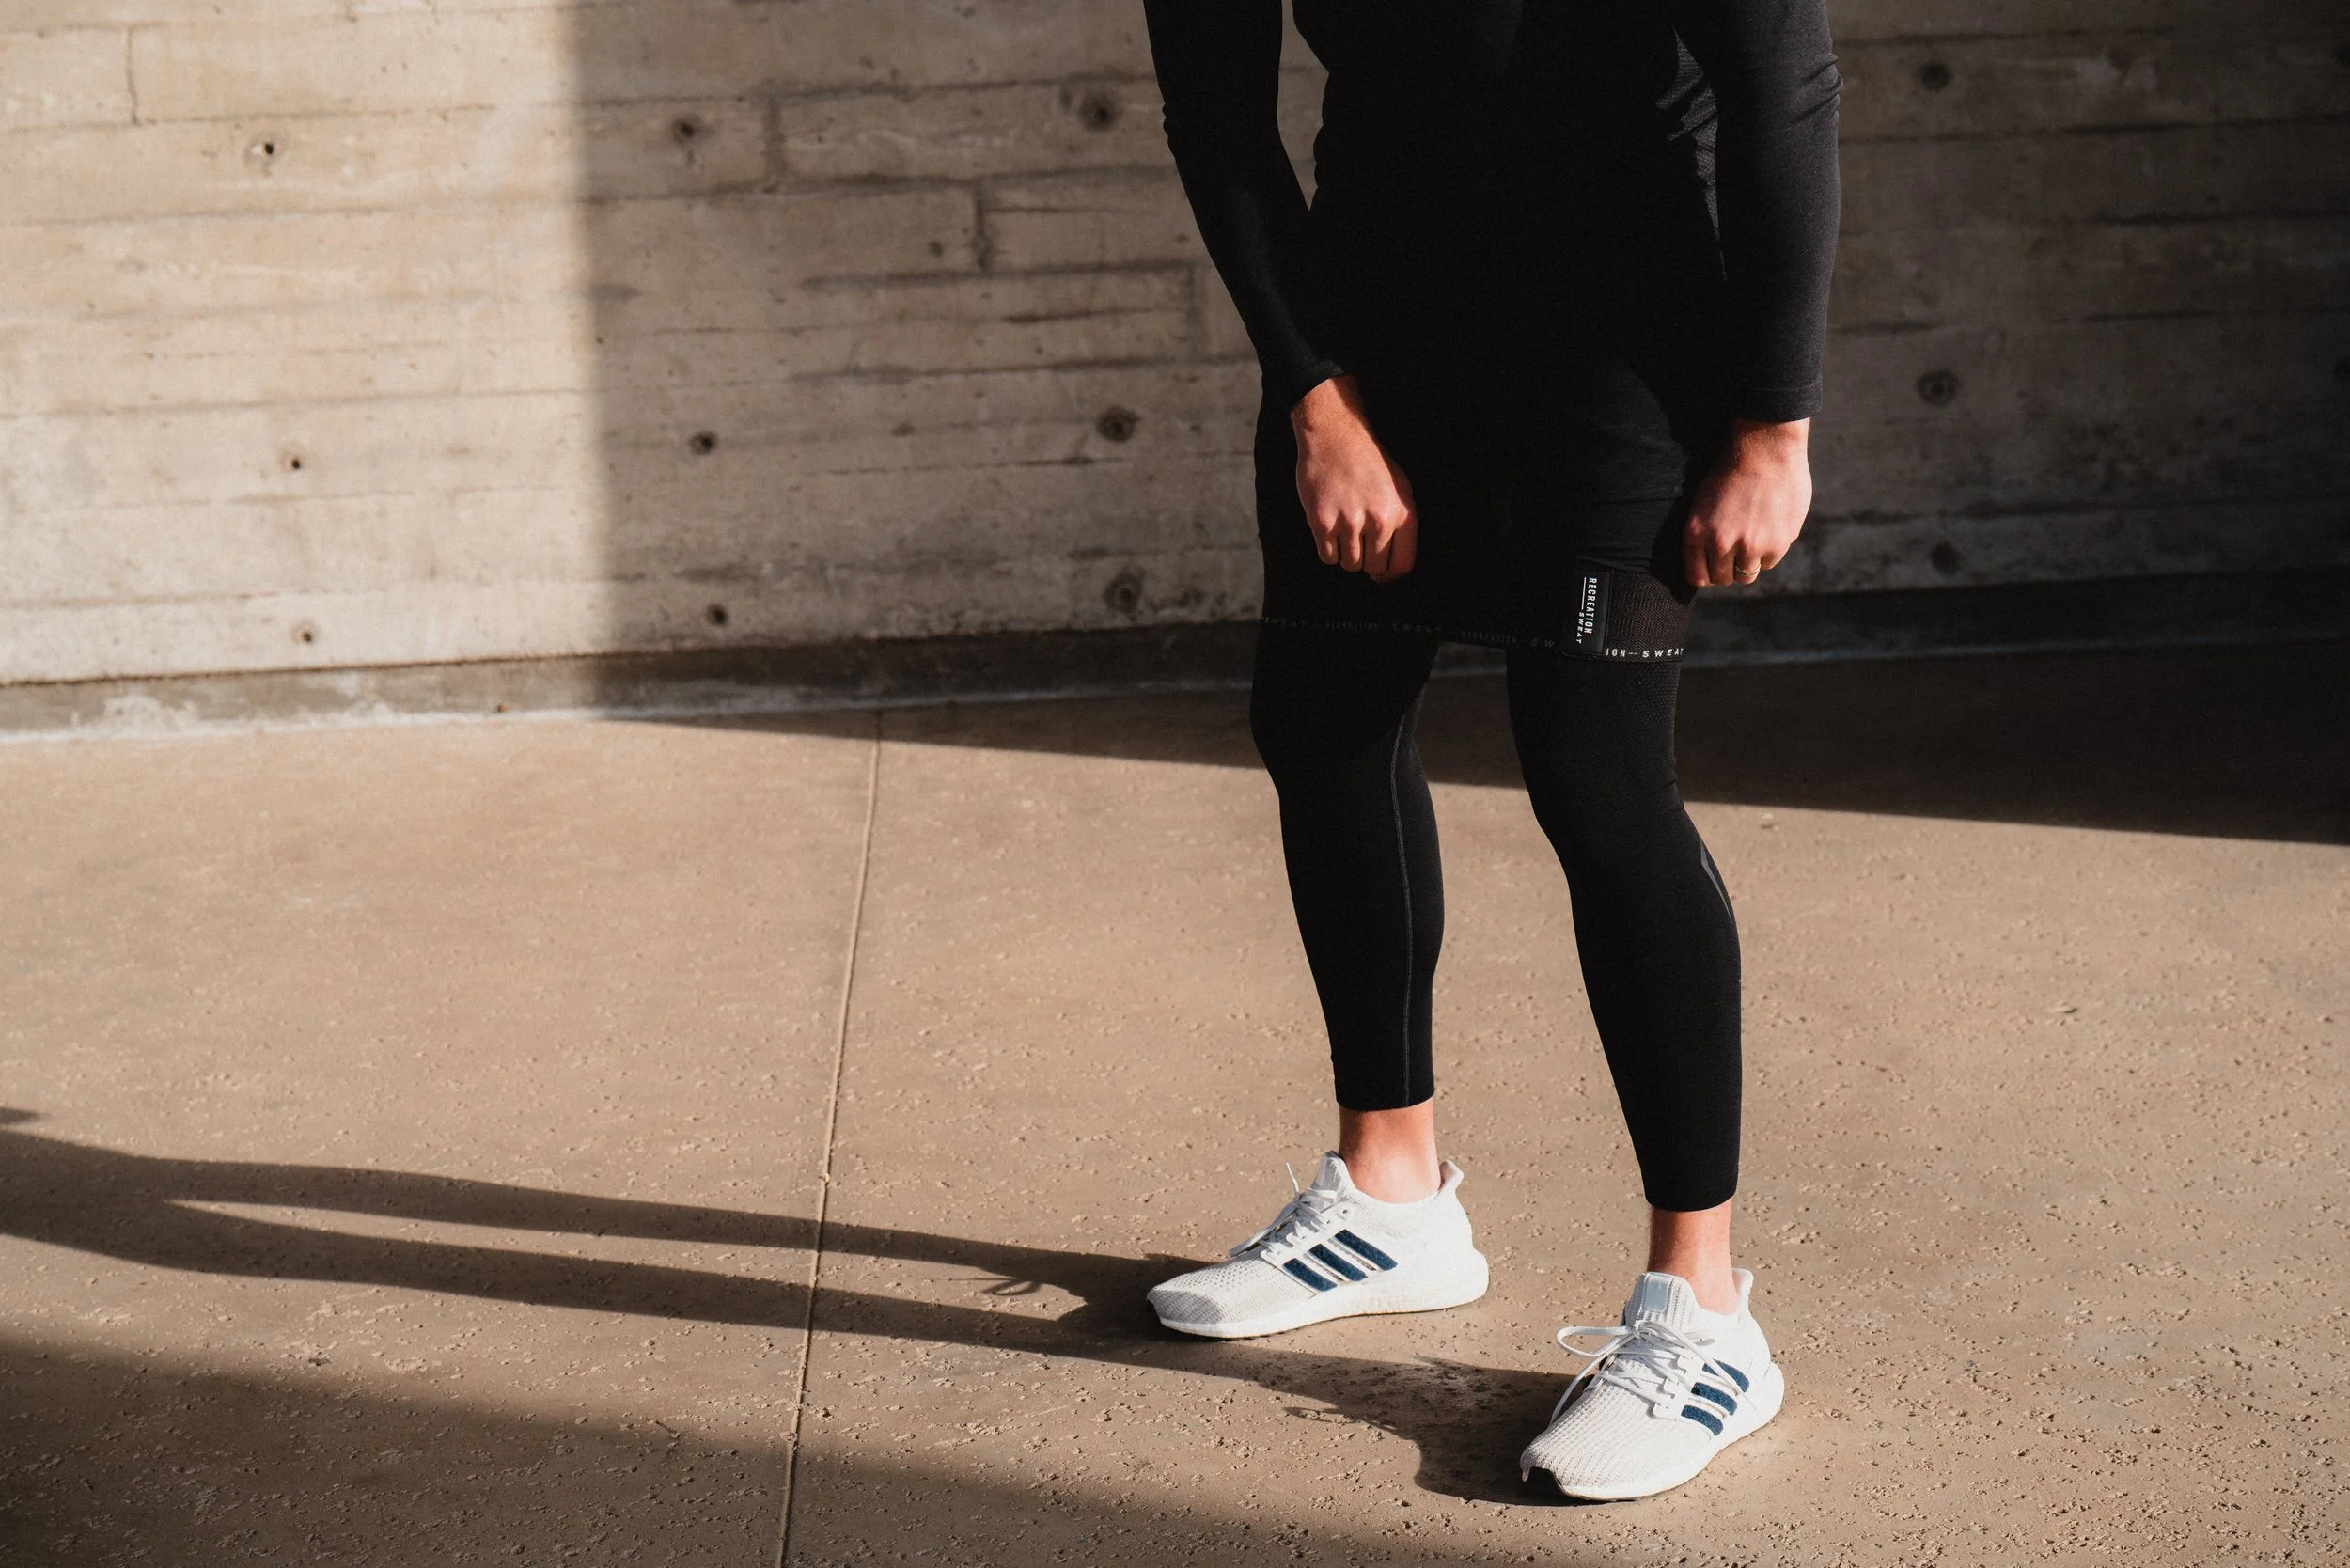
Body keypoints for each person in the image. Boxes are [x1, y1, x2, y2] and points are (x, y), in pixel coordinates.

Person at [1136, 0, 1841, 1500]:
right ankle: (1392, 1198)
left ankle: (1704, 1315)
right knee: (1324, 726)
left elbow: (1787, 92)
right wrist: (1314, 396)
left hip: (1622, 329)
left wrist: (1773, 422)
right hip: (1375, 316)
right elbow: (1221, 120)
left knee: (1595, 779)